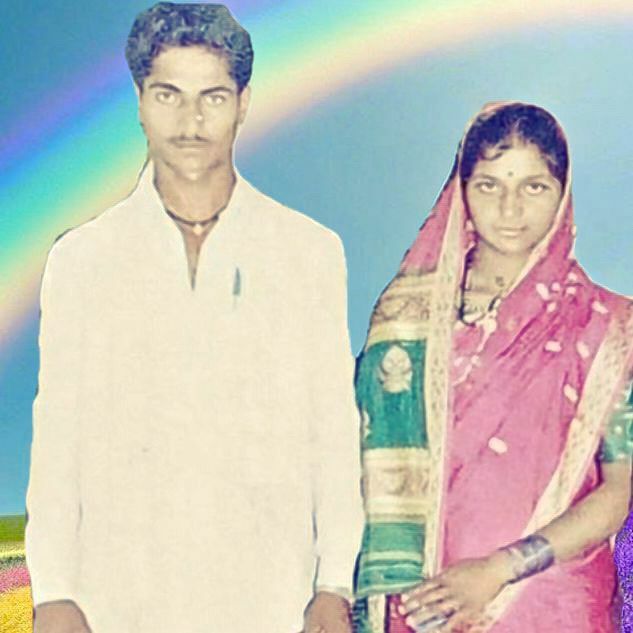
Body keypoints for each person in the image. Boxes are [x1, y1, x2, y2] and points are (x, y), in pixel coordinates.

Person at [25, 3, 363, 632]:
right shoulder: (84, 260)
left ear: (243, 102)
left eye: (213, 97)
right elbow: (57, 440)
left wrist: (334, 583)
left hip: (270, 600)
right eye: (168, 95)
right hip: (120, 603)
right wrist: (53, 593)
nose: (191, 121)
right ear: (139, 101)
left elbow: (333, 435)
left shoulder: (307, 253)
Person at [352, 102, 633, 632]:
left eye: (534, 186)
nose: (510, 208)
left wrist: (498, 570)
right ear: (461, 191)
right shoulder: (406, 320)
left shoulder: (610, 327)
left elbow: (618, 491)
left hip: (550, 601)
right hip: (422, 600)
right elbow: (363, 466)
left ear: (563, 194)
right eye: (489, 185)